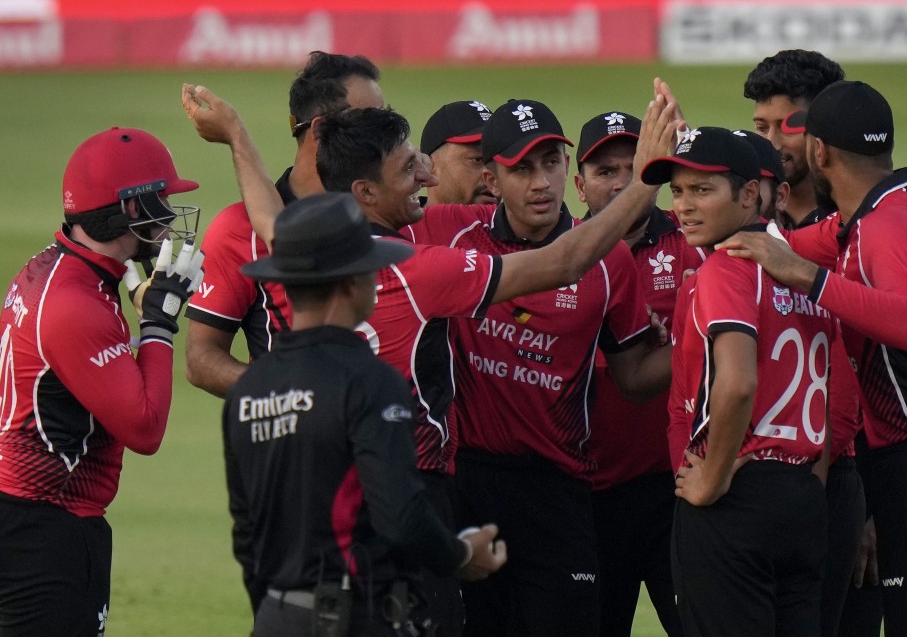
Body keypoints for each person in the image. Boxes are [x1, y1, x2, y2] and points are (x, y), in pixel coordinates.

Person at [184, 84, 681, 636]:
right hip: (414, 502)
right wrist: (646, 180)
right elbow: (564, 263)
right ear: (366, 193)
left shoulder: (296, 279)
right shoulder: (417, 272)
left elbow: (270, 221)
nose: (425, 177)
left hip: (297, 578)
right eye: (407, 169)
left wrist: (236, 136)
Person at [718, 80, 907, 637]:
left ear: (819, 151)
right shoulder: (879, 212)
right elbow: (779, 247)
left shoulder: (886, 223)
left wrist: (808, 278)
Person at [405, 98, 675, 637]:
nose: (540, 183)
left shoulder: (610, 261)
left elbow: (634, 378)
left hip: (559, 491)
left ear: (566, 167)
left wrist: (700, 337)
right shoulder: (449, 231)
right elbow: (352, 215)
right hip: (468, 484)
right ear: (492, 179)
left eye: (551, 162)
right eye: (521, 168)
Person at [224, 192, 508, 637]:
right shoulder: (370, 381)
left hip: (275, 616)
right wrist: (461, 555)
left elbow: (246, 534)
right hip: (354, 617)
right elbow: (400, 514)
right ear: (350, 284)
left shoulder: (249, 388)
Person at [182, 51, 388, 616]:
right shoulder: (238, 229)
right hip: (303, 484)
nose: (387, 133)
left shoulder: (391, 212)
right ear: (320, 132)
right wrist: (295, 399)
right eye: (370, 119)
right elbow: (201, 358)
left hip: (399, 462)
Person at [0, 127, 203, 636]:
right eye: (161, 200)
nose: (168, 214)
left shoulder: (54, 268)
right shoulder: (76, 303)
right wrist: (158, 326)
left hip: (22, 516)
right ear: (132, 208)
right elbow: (144, 428)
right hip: (46, 527)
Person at [643, 126, 833, 636]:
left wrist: (713, 478)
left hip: (737, 495)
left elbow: (737, 383)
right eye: (678, 191)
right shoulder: (802, 270)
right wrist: (807, 482)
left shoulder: (725, 269)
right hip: (802, 495)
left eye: (702, 190)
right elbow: (825, 389)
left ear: (750, 194)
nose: (684, 206)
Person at [744, 50, 866, 637]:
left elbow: (880, 367)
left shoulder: (863, 223)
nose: (771, 143)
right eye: (759, 126)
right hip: (755, 476)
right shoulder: (740, 214)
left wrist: (870, 507)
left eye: (786, 126)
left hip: (840, 478)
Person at [573, 110, 701, 637]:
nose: (622, 183)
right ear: (579, 186)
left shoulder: (694, 244)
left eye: (634, 167)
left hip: (680, 491)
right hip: (592, 496)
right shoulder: (559, 257)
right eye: (606, 171)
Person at [744, 49, 845, 227]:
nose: (771, 143)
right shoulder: (743, 210)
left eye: (787, 128)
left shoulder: (855, 215)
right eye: (762, 128)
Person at [421, 100, 498, 205]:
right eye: (477, 160)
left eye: (499, 162)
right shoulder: (400, 215)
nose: (493, 176)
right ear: (429, 166)